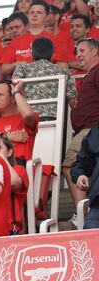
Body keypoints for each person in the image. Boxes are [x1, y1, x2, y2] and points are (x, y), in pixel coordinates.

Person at [63, 38, 99, 212]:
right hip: (88, 130)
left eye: (82, 51)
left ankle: (82, 214)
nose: (78, 55)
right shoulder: (90, 75)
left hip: (92, 129)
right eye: (77, 52)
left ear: (95, 52)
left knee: (71, 165)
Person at [71, 125, 99, 229]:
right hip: (97, 205)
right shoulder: (96, 133)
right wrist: (80, 175)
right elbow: (81, 164)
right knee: (90, 243)